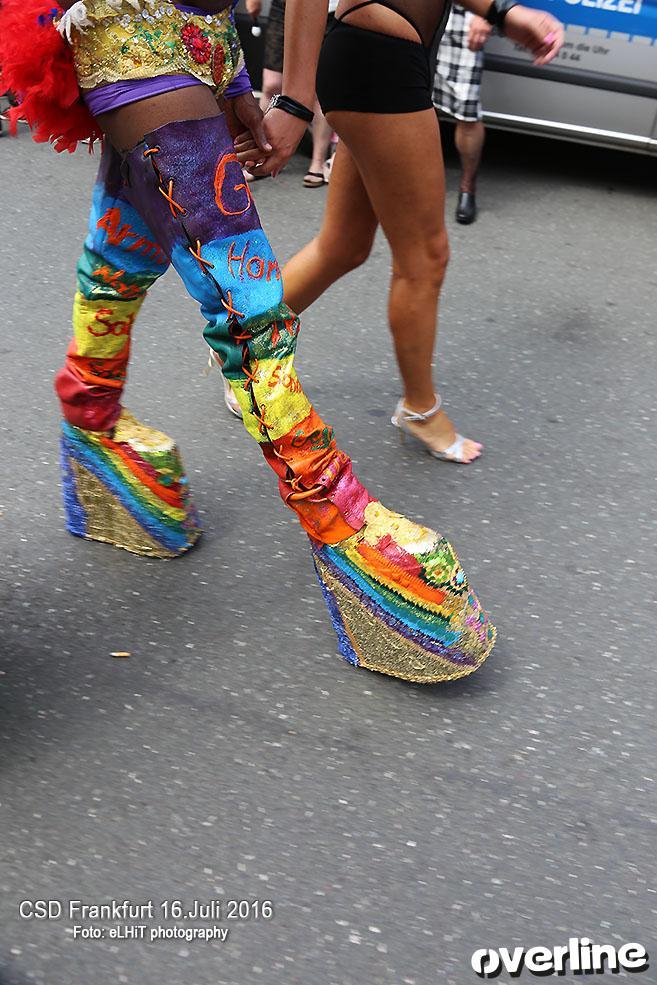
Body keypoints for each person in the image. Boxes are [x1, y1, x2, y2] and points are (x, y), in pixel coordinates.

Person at [0, 0, 496, 683]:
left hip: (197, 34)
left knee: (127, 241)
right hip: (135, 34)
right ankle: (337, 519)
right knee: (250, 306)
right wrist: (290, 94)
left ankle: (92, 415)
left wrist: (234, 77)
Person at [237, 0, 562, 466]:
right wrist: (294, 98)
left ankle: (244, 352)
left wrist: (499, 12)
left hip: (389, 54)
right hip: (378, 57)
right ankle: (420, 409)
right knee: (425, 258)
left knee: (343, 245)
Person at [250, 0, 336, 187]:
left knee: (319, 93)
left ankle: (318, 160)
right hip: (284, 7)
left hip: (333, 10)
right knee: (272, 84)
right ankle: (260, 152)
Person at [433, 6, 491, 224]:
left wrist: (487, 13)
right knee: (416, 101)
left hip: (466, 15)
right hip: (421, 12)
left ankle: (468, 188)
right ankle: (415, 181)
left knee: (467, 111)